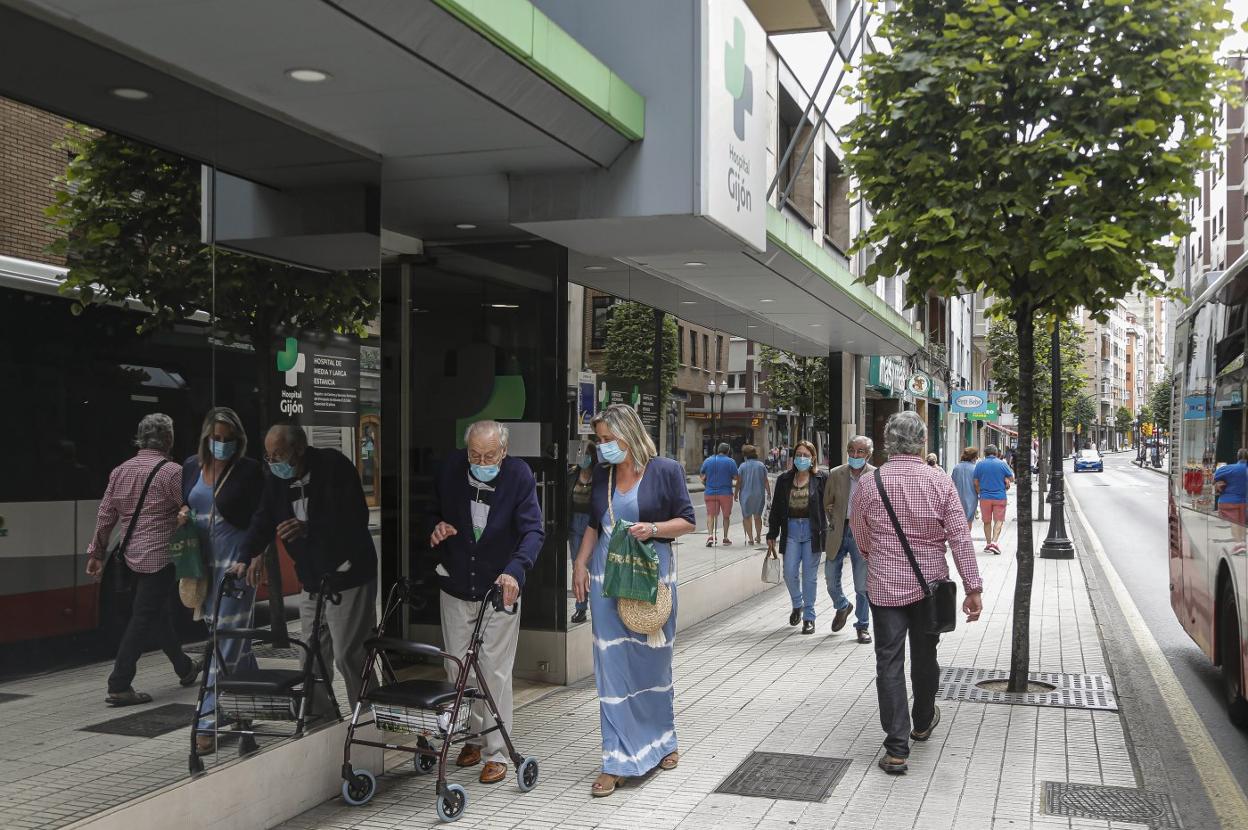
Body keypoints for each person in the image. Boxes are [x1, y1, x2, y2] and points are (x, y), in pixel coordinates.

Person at [850, 412, 984, 775]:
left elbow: (860, 533)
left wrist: (877, 557)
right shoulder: (939, 481)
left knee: (888, 661)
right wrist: (972, 587)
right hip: (930, 587)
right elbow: (959, 537)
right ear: (923, 442)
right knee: (925, 656)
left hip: (884, 587)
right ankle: (923, 721)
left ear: (888, 442)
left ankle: (896, 748)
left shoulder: (870, 483)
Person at [572, 404, 695, 797]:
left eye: (609, 438)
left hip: (651, 581)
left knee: (652, 666)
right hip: (607, 582)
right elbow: (595, 524)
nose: (604, 446)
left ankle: (662, 741)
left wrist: (653, 528)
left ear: (630, 433)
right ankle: (618, 760)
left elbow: (687, 520)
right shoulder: (603, 473)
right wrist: (579, 563)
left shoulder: (666, 470)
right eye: (600, 440)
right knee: (612, 670)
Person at [429, 420, 543, 784]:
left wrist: (516, 570)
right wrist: (436, 527)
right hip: (456, 583)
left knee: (493, 671)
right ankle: (471, 739)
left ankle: (496, 752)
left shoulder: (519, 476)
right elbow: (430, 512)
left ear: (504, 452)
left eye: (489, 456)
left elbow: (533, 530)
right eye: (474, 455)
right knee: (457, 668)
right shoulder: (450, 469)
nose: (481, 462)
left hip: (499, 587)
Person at [241, 423, 377, 710]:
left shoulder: (333, 466)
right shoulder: (277, 480)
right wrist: (246, 556)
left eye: (279, 455)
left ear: (299, 448)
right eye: (269, 456)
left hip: (348, 573)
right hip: (312, 577)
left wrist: (308, 527)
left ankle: (366, 716)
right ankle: (317, 717)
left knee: (348, 654)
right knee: (310, 655)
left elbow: (354, 516)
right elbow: (263, 518)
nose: (274, 462)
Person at [85, 413, 201, 706]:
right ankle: (119, 683)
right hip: (160, 558)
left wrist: (97, 553)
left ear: (140, 438)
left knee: (156, 614)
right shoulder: (172, 473)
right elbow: (189, 508)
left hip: (129, 556)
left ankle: (185, 668)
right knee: (144, 617)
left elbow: (105, 515)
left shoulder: (120, 471)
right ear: (169, 439)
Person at [178, 407, 264, 754]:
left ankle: (206, 722)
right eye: (217, 438)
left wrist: (257, 555)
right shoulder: (190, 467)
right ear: (206, 438)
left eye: (229, 439)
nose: (223, 444)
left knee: (225, 642)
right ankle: (251, 706)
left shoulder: (248, 470)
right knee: (235, 643)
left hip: (236, 564)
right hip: (203, 566)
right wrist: (183, 513)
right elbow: (188, 502)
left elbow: (261, 516)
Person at [767, 440, 828, 634]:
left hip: (812, 531)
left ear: (813, 458)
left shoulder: (821, 478)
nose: (802, 458)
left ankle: (809, 617)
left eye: (806, 455)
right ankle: (797, 604)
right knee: (789, 572)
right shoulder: (784, 479)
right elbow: (776, 508)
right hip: (791, 530)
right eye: (799, 455)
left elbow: (830, 504)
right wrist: (772, 533)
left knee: (809, 577)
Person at [823, 436, 874, 644]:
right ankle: (842, 605)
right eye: (851, 450)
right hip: (839, 530)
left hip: (862, 533)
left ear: (868, 454)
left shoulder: (875, 475)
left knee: (862, 586)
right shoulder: (836, 473)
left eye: (860, 451)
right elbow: (827, 502)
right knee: (830, 579)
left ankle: (862, 626)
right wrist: (835, 520)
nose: (855, 454)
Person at [568, 437, 598, 624]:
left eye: (587, 454)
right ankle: (580, 608)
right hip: (575, 524)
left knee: (595, 567)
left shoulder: (600, 475)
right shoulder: (572, 474)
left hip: (592, 524)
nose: (583, 458)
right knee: (578, 567)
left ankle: (598, 607)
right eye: (581, 454)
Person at [973, 444, 1015, 554]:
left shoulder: (979, 464)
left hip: (985, 497)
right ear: (996, 453)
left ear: (985, 453)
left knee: (986, 521)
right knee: (999, 520)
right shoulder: (1002, 464)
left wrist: (980, 492)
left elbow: (975, 482)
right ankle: (994, 543)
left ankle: (988, 544)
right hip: (1000, 496)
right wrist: (1005, 479)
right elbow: (1012, 478)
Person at [700, 442, 739, 547]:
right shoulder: (731, 462)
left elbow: (702, 475)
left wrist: (706, 484)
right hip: (726, 493)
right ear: (728, 451)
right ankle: (725, 538)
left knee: (711, 515)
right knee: (726, 516)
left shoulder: (708, 460)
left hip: (710, 492)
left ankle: (710, 536)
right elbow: (736, 477)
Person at [735, 444, 771, 546]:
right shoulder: (761, 465)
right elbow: (765, 480)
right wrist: (769, 492)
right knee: (757, 516)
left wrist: (735, 493)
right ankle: (758, 536)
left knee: (746, 517)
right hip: (759, 494)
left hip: (745, 495)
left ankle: (750, 538)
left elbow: (739, 482)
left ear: (745, 455)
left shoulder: (742, 466)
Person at [1214, 448, 1248, 525]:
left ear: (1237, 457)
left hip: (1227, 502)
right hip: (1244, 504)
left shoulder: (1227, 468)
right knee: (1242, 528)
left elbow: (1214, 478)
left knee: (1230, 528)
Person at [950, 447, 980, 530]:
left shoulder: (956, 467)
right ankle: (966, 536)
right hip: (971, 497)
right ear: (974, 457)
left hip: (957, 497)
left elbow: (952, 483)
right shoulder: (975, 468)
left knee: (958, 519)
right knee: (969, 520)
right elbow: (976, 484)